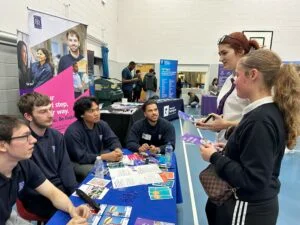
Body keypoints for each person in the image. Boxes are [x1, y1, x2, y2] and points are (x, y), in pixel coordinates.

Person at [200, 49, 300, 225]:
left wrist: (214, 157)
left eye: (237, 75)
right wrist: (230, 150)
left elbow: (253, 179)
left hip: (247, 209)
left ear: (253, 74)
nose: (234, 81)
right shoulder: (263, 113)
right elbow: (254, 155)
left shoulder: (260, 120)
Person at [0, 115, 89, 225]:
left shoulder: (23, 164)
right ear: (2, 146)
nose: (34, 140)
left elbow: (52, 192)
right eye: (24, 137)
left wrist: (72, 210)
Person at [16, 92, 78, 219]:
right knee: (67, 217)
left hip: (58, 190)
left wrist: (74, 193)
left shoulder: (57, 136)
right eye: (43, 111)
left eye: (51, 109)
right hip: (36, 196)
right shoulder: (22, 143)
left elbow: (65, 168)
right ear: (28, 116)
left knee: (83, 208)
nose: (50, 115)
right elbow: (29, 186)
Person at [196, 32, 259, 142]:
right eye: (219, 54)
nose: (220, 59)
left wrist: (226, 124)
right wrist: (212, 123)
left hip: (242, 146)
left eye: (224, 53)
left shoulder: (254, 81)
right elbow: (231, 114)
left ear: (240, 51)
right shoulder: (229, 79)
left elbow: (260, 123)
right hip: (225, 144)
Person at [64, 96, 123, 181]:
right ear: (81, 114)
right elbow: (81, 158)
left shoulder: (102, 124)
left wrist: (117, 149)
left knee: (118, 163)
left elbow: (113, 139)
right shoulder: (73, 132)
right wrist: (104, 157)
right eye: (91, 111)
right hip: (79, 163)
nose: (96, 113)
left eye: (97, 109)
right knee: (100, 173)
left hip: (97, 156)